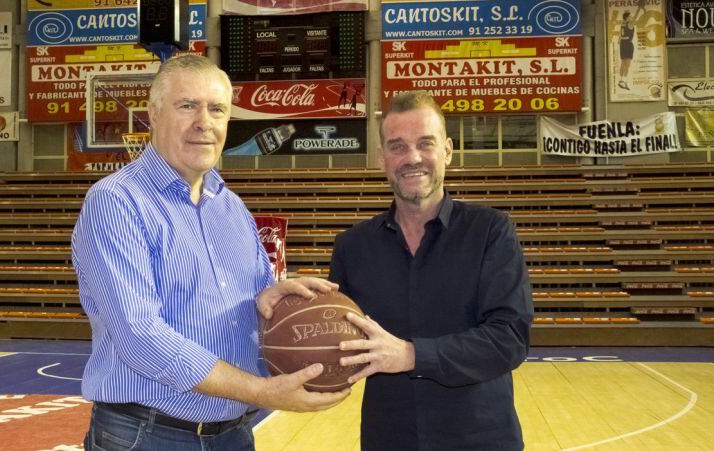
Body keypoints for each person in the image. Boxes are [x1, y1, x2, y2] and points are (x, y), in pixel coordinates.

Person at [72, 54, 349, 451]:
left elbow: (251, 307)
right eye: (188, 106)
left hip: (233, 433)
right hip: (148, 435)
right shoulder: (116, 201)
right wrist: (262, 391)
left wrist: (273, 299)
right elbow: (141, 337)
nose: (204, 122)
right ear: (152, 114)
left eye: (217, 109)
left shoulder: (232, 207)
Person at [330, 91, 533, 450]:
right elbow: (332, 339)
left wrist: (409, 355)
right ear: (381, 159)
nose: (413, 158)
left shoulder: (491, 231)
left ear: (448, 151)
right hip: (388, 439)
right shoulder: (353, 246)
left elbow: (509, 340)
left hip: (482, 439)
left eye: (426, 143)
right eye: (397, 146)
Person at [618, 9, 640, 91]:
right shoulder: (630, 24)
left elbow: (620, 35)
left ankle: (621, 80)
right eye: (630, 16)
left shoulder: (622, 24)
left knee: (622, 63)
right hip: (627, 44)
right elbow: (635, 19)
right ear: (628, 17)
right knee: (627, 64)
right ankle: (625, 82)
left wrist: (619, 40)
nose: (631, 17)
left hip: (622, 44)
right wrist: (638, 9)